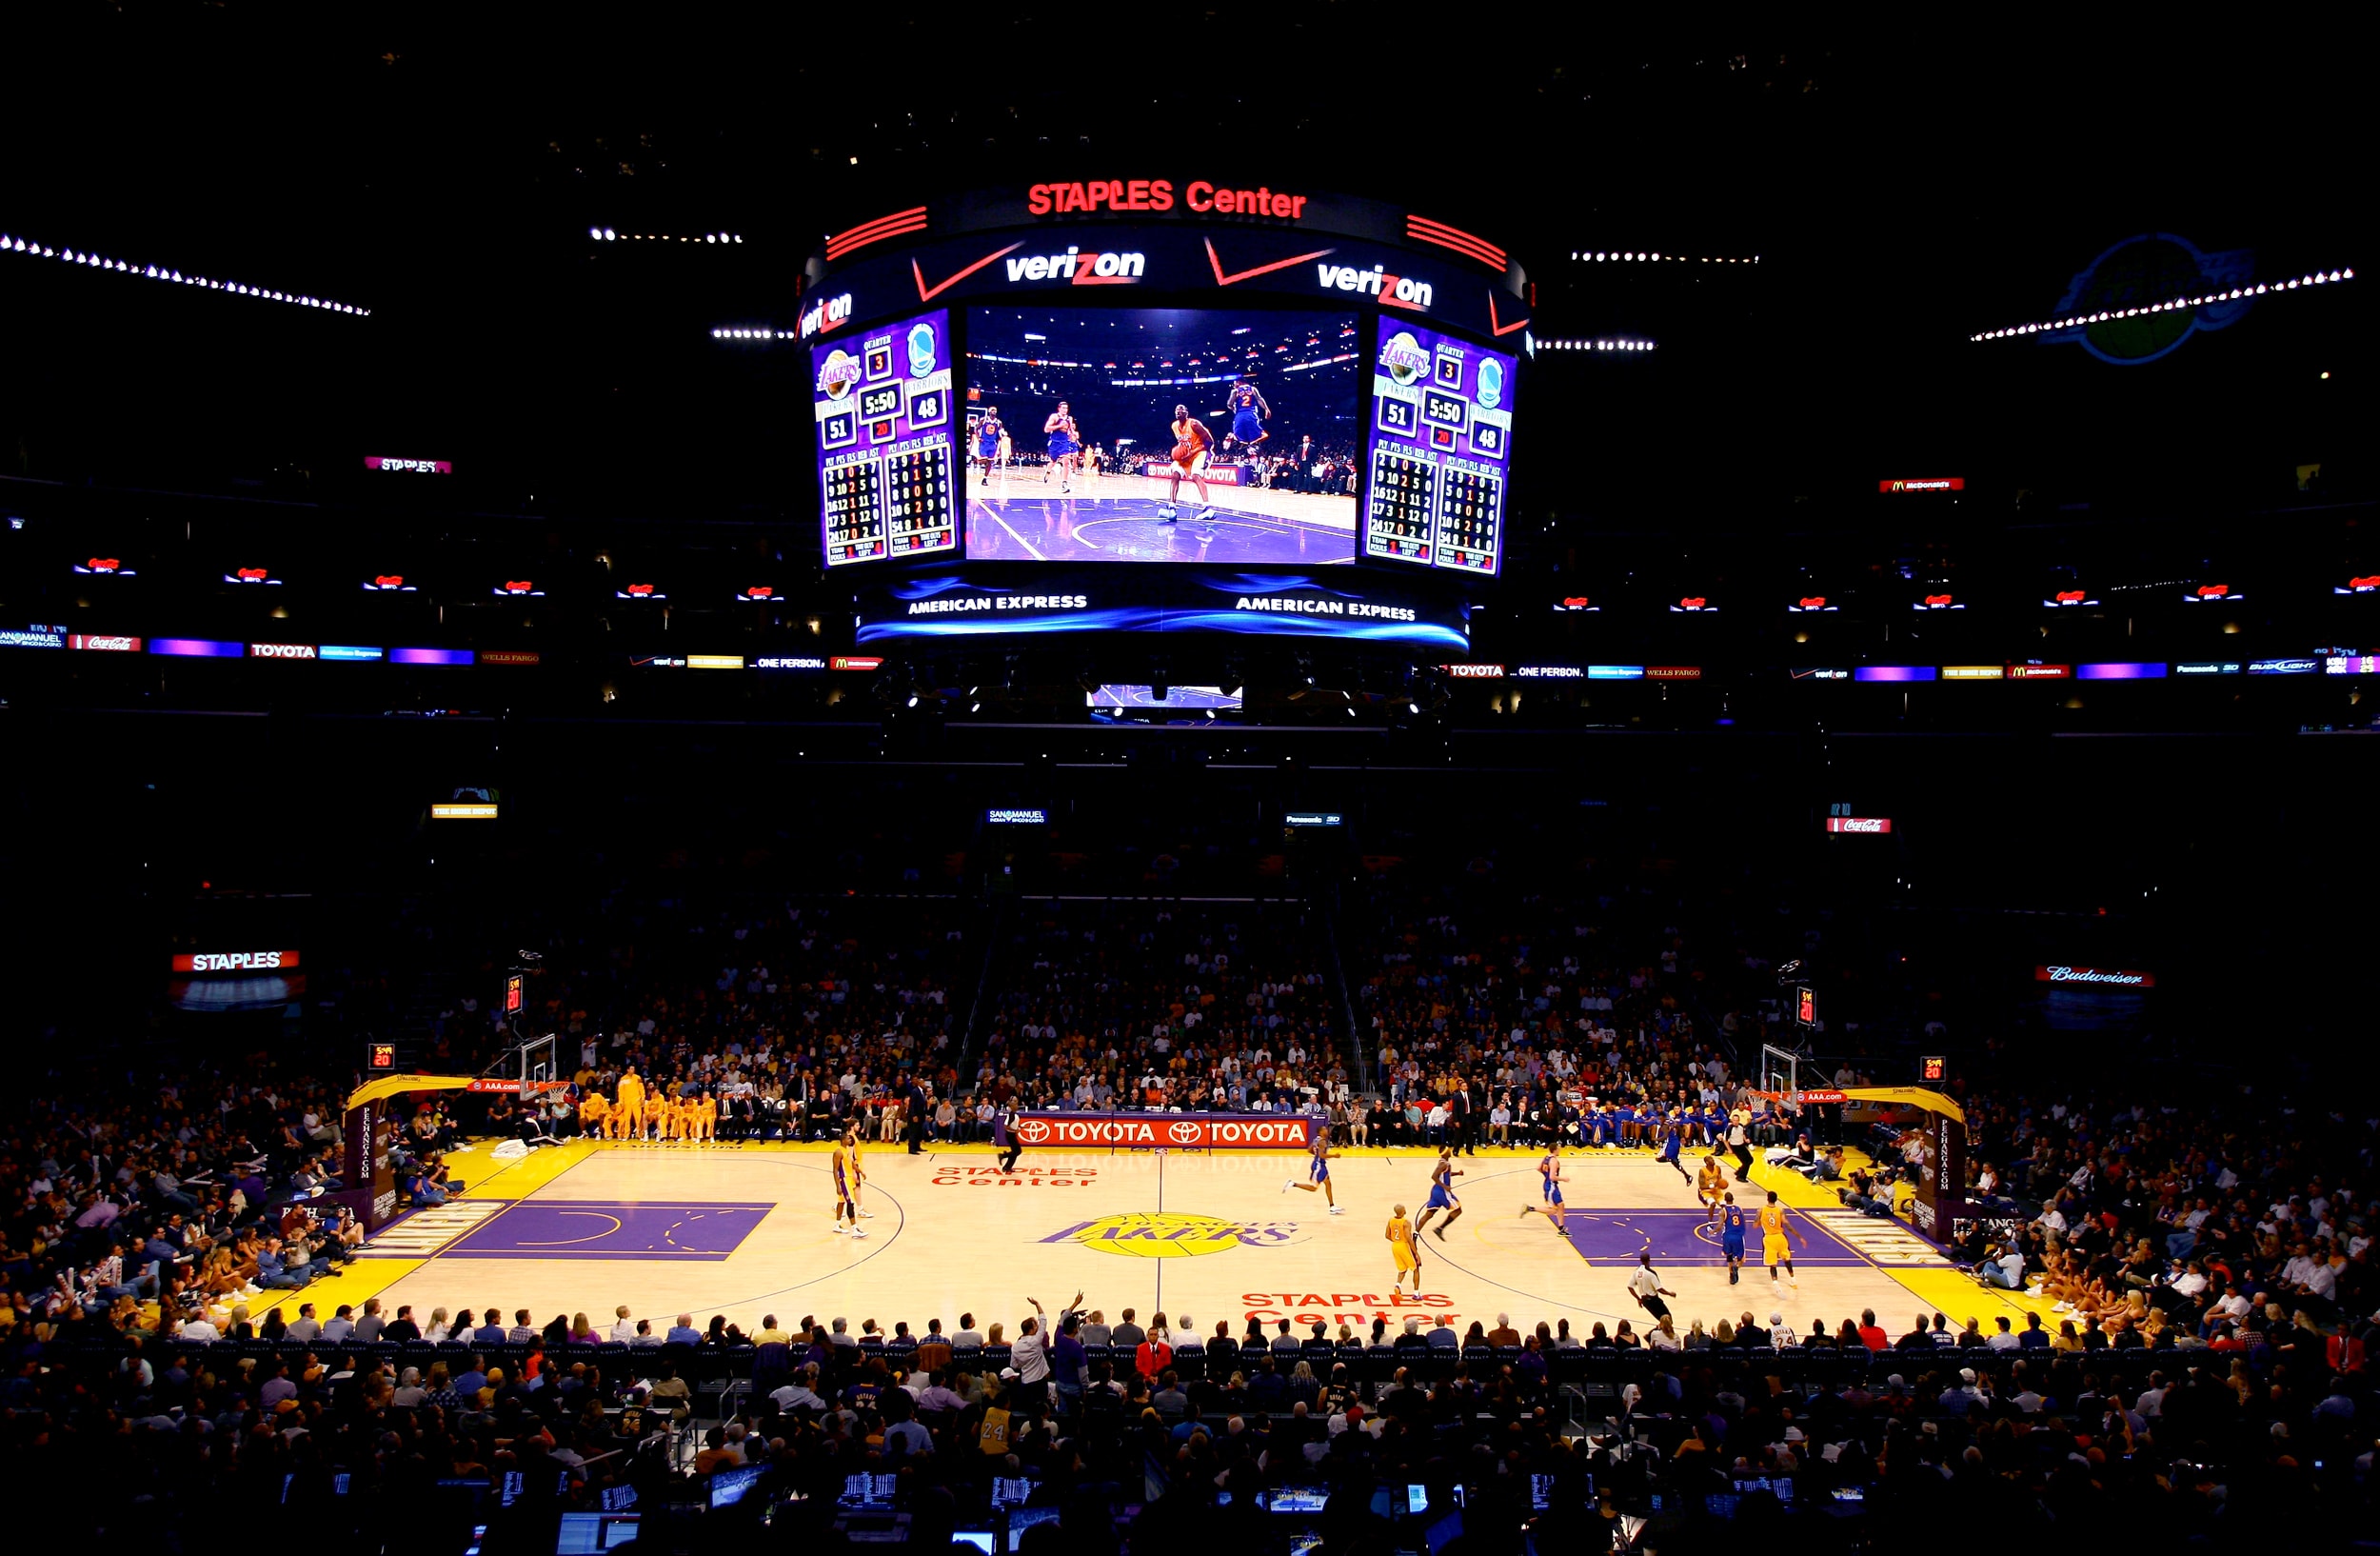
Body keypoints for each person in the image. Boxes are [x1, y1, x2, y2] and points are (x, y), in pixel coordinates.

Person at [1160, 403, 1216, 529]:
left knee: (1196, 476)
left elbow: (1209, 442)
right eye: (1176, 409)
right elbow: (1183, 443)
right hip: (1186, 456)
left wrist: (1191, 453)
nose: (1178, 411)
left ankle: (1207, 508)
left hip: (1201, 452)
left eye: (1181, 409)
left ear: (1187, 412)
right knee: (1175, 474)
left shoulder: (1194, 424)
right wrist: (1180, 452)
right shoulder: (1174, 426)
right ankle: (1172, 506)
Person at [1284, 1130, 1342, 1213]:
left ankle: (1332, 1206)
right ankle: (1293, 1184)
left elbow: (1309, 1150)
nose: (1326, 1130)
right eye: (1324, 1129)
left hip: (1320, 1164)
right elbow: (1322, 1155)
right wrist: (1334, 1156)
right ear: (1321, 1132)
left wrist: (1317, 1156)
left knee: (1328, 1183)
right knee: (1314, 1188)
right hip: (1319, 1167)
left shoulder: (1316, 1139)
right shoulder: (1322, 1141)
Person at [1757, 1189, 1805, 1289]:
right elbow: (1788, 1225)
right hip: (1780, 1237)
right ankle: (1793, 1279)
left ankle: (1775, 1282)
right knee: (1786, 1259)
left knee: (1773, 1264)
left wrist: (1760, 1220)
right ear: (1776, 1200)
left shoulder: (1761, 1210)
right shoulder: (1780, 1210)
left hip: (1769, 1238)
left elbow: (1755, 1225)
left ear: (1767, 1199)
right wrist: (1799, 1237)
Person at [1414, 1147, 1463, 1241]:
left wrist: (1457, 1173)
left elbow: (1444, 1174)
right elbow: (1434, 1176)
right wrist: (1445, 1186)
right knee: (1458, 1210)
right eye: (1448, 1150)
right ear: (1445, 1153)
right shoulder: (1444, 1163)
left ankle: (1415, 1235)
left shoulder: (1443, 1162)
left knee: (1429, 1214)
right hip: (1442, 1192)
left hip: (1436, 1191)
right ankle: (1440, 1229)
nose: (1450, 1151)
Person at [1222, 375, 1270, 468]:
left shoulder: (1235, 391)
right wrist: (1267, 409)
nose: (1234, 385)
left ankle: (1233, 438)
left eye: (1234, 383)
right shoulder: (1253, 389)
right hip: (1251, 414)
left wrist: (1233, 408)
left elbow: (1229, 404)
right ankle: (1252, 446)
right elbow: (1260, 399)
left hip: (1240, 415)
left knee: (1239, 437)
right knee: (1260, 435)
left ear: (1239, 382)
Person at [1520, 1146, 1568, 1233]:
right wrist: (1563, 1179)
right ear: (1555, 1150)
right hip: (1551, 1187)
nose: (1560, 1150)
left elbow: (1538, 1168)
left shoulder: (1546, 1157)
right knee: (1554, 1210)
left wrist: (1545, 1175)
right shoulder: (1554, 1161)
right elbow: (1552, 1177)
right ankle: (1530, 1208)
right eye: (1558, 1149)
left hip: (1548, 1184)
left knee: (1561, 1205)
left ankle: (1561, 1228)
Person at [832, 1128, 866, 1238]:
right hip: (844, 1180)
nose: (849, 1139)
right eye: (847, 1138)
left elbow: (851, 1164)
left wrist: (860, 1172)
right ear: (843, 1140)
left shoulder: (846, 1150)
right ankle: (854, 1229)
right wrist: (838, 1186)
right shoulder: (838, 1152)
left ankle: (837, 1225)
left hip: (849, 1179)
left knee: (841, 1203)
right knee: (850, 1203)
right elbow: (835, 1170)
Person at [1627, 1253, 1676, 1323]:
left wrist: (1638, 1299)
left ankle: (1661, 1330)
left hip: (1645, 1300)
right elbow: (1659, 1289)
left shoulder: (1636, 1272)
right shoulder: (1651, 1273)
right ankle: (1664, 1332)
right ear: (1649, 1260)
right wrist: (1670, 1294)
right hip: (1653, 1300)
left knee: (1662, 1319)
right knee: (1667, 1319)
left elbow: (1630, 1287)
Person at [1043, 403, 1080, 493]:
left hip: (1065, 442)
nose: (1065, 410)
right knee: (1053, 461)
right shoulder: (1054, 417)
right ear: (1059, 408)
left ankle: (1064, 484)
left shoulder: (1069, 418)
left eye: (1066, 408)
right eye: (1063, 408)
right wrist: (1059, 426)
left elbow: (1070, 429)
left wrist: (1073, 434)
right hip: (1054, 443)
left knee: (1066, 461)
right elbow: (1046, 429)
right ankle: (1048, 471)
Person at [1386, 1203, 1421, 1292]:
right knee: (1415, 1268)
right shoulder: (1406, 1222)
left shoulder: (1391, 1220)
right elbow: (1409, 1239)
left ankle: (1398, 1285)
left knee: (1402, 1268)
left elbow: (1387, 1235)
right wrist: (1416, 1253)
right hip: (1404, 1245)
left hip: (1395, 1246)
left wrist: (1396, 1241)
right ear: (1403, 1211)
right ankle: (1416, 1294)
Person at [1719, 1191, 1749, 1285]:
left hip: (1727, 1236)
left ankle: (1731, 1275)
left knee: (1729, 1256)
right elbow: (1744, 1221)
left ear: (1725, 1200)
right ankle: (1736, 1267)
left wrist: (1714, 1231)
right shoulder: (1740, 1209)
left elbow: (1720, 1225)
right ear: (1733, 1199)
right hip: (1738, 1236)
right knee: (1742, 1259)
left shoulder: (1723, 1211)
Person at [1656, 1108, 1690, 1180]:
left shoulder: (1665, 1125)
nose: (1659, 1120)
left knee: (1659, 1158)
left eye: (1660, 1119)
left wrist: (1656, 1140)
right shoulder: (1672, 1122)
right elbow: (1679, 1127)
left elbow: (1665, 1136)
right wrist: (1682, 1137)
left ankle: (1670, 1159)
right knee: (1676, 1163)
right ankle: (1687, 1176)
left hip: (1670, 1144)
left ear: (1664, 1118)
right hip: (1676, 1143)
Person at [1696, 1153, 1729, 1223]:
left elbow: (1720, 1180)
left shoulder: (1717, 1168)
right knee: (1713, 1204)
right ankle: (1710, 1222)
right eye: (1711, 1160)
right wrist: (1713, 1185)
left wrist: (1722, 1184)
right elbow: (1701, 1186)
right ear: (1707, 1162)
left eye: (1713, 1159)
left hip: (1717, 1191)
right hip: (1706, 1192)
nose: (1713, 1161)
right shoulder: (1702, 1171)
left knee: (1725, 1206)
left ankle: (1726, 1222)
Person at [973, 409, 1004, 483]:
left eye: (995, 410)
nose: (994, 411)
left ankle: (985, 478)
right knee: (984, 460)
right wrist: (978, 438)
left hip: (992, 444)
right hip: (984, 443)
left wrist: (1002, 435)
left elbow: (1000, 433)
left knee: (990, 462)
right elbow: (976, 429)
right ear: (989, 412)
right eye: (992, 410)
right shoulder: (983, 420)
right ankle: (975, 461)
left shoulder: (999, 422)